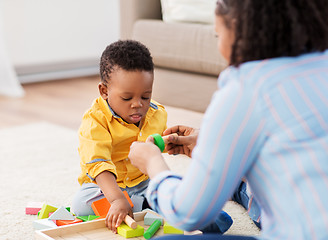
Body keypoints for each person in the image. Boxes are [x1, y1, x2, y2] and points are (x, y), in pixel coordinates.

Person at [128, 0, 328, 239]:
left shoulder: (245, 88)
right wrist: (214, 142)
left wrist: (153, 165)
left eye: (217, 35)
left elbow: (189, 213)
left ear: (238, 31)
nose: (219, 47)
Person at [71, 39, 233, 234]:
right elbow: (98, 165)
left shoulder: (157, 113)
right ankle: (151, 205)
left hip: (143, 183)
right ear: (104, 91)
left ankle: (196, 212)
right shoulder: (94, 121)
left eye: (145, 96)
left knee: (178, 189)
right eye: (127, 98)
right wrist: (116, 199)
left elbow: (154, 148)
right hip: (105, 186)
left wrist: (170, 143)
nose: (137, 104)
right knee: (80, 205)